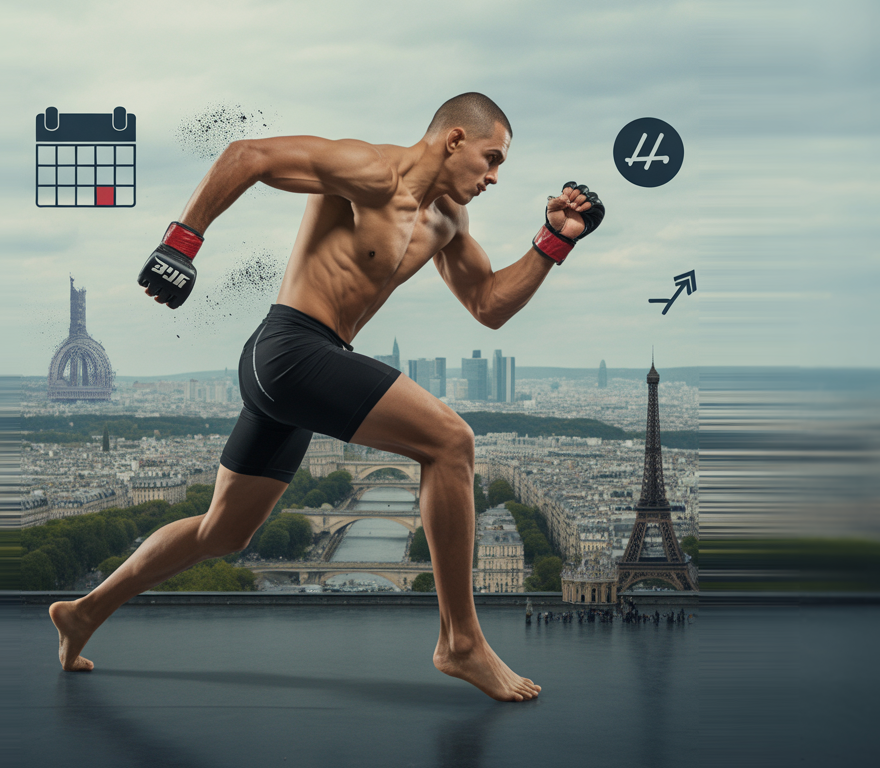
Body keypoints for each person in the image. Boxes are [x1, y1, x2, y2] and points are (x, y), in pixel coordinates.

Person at [49, 92, 604, 702]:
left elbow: (490, 305)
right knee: (452, 442)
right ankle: (461, 641)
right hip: (290, 349)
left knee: (224, 532)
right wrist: (183, 242)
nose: (495, 176)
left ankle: (83, 612)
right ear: (453, 139)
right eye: (491, 158)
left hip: (303, 370)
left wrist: (554, 241)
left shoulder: (447, 221)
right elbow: (249, 154)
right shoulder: (369, 170)